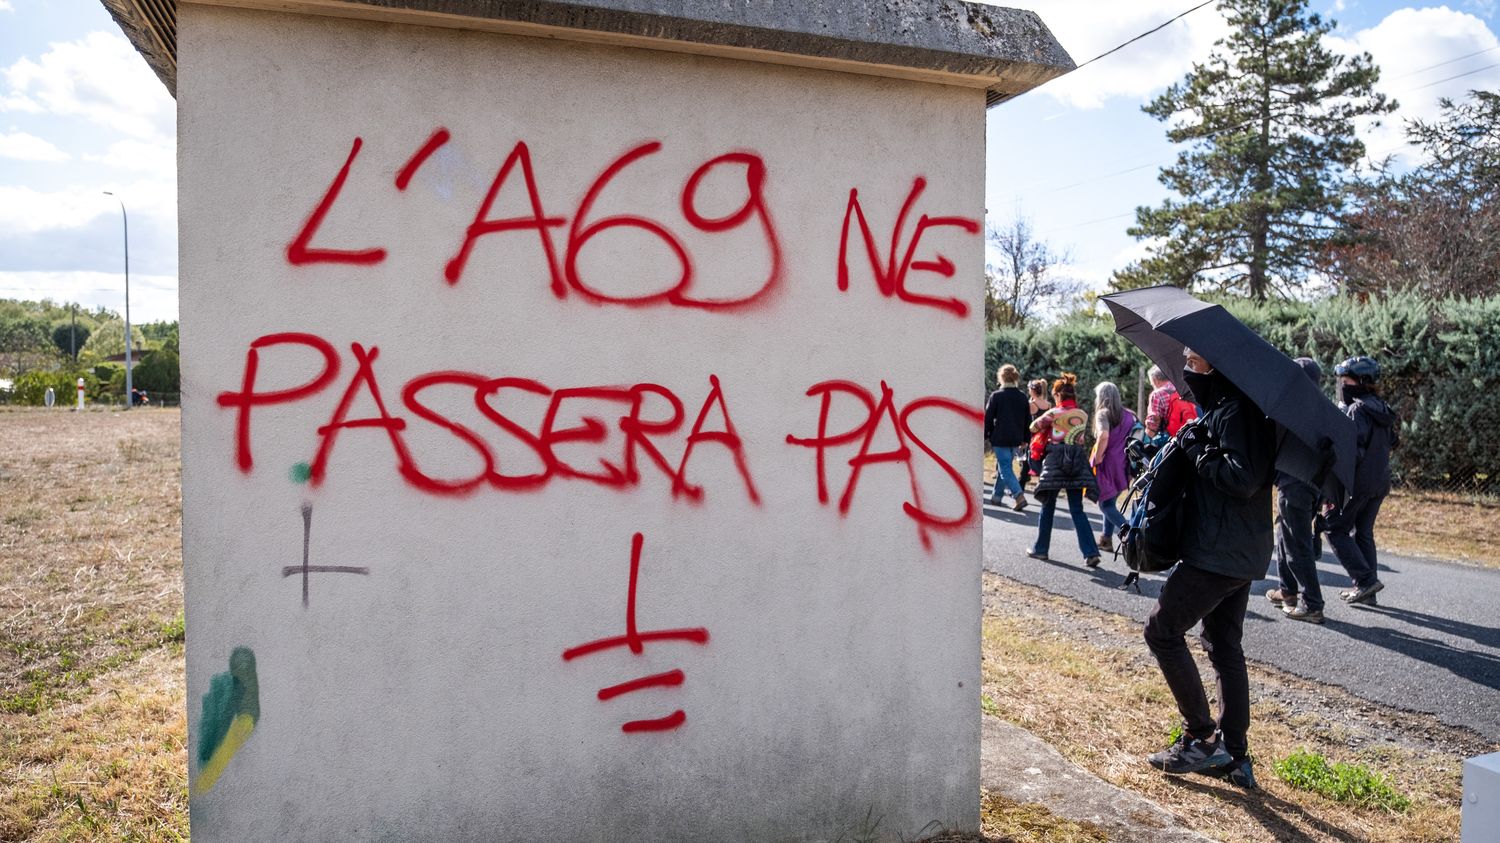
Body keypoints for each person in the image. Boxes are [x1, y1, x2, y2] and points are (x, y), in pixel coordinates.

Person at [1143, 347, 1275, 789]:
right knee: (1222, 644)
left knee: (1162, 631)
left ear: (1216, 363)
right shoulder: (1224, 408)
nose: (1185, 367)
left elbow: (1243, 478)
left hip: (1220, 552)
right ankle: (1235, 755)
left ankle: (1201, 737)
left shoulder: (1237, 411)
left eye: (1193, 360)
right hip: (1234, 549)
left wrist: (1197, 447)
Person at [1326, 356, 1399, 606]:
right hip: (1380, 482)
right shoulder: (1381, 408)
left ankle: (1364, 581)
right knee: (1363, 533)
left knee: (1333, 528)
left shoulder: (1358, 410)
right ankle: (1368, 591)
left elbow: (1352, 451)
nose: (1342, 385)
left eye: (1346, 381)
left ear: (1362, 381)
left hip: (1359, 483)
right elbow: (1393, 442)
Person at [1265, 358, 1327, 623]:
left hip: (1295, 484)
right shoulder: (1322, 409)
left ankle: (1312, 604)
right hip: (1313, 483)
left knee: (1297, 545)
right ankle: (1287, 591)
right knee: (1284, 536)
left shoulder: (1291, 408)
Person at [1027, 373, 1100, 568]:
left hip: (1055, 462)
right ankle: (1090, 552)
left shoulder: (1054, 414)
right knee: (1077, 509)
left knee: (1048, 505)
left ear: (1058, 395)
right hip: (1076, 461)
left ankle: (1041, 549)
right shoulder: (1082, 414)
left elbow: (1034, 427)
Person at [1090, 382, 1136, 553]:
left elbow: (1103, 436)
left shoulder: (1103, 414)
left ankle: (1131, 534)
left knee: (1105, 504)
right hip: (1124, 464)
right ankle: (1106, 539)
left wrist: (1098, 457)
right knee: (1110, 500)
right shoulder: (1130, 415)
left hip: (1107, 464)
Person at [984, 364, 1031, 511]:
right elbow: (1027, 420)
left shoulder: (996, 396)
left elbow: (988, 418)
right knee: (1005, 467)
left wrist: (987, 434)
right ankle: (996, 497)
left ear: (1001, 378)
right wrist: (1026, 438)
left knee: (1004, 468)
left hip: (1000, 438)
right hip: (1016, 438)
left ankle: (1019, 495)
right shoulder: (1022, 397)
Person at [1020, 379, 1052, 492]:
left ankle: (1020, 488)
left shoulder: (1032, 405)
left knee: (1026, 462)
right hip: (1044, 437)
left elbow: (1025, 420)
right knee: (1042, 462)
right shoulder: (1048, 405)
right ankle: (1043, 486)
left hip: (1033, 437)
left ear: (1033, 391)